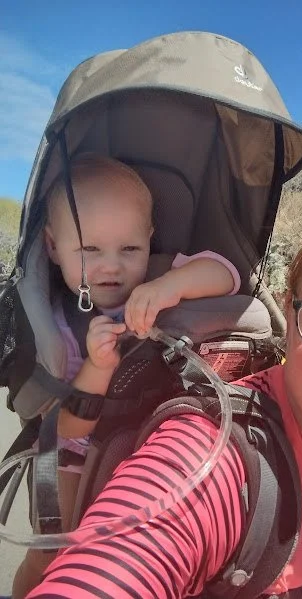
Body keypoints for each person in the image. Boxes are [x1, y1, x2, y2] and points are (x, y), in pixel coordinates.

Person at [26, 192, 302, 599]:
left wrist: (169, 285)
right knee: (49, 546)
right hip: (79, 442)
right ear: (290, 312)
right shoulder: (214, 461)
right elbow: (127, 554)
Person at [12, 154, 240, 599]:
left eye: (129, 249)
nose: (111, 266)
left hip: (151, 439)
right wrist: (98, 366)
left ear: (148, 240)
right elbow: (67, 428)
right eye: (90, 250)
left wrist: (167, 287)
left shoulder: (157, 275)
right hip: (74, 452)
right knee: (52, 552)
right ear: (53, 246)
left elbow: (227, 273)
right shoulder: (61, 329)